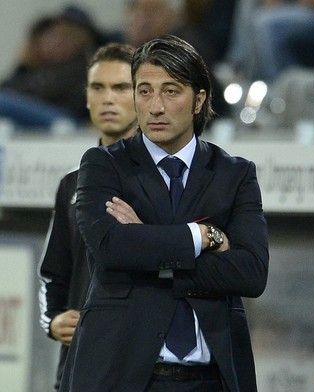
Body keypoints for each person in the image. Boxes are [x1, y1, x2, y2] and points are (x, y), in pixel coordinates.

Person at [58, 35, 269, 392]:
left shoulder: (235, 174)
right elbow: (112, 248)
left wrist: (148, 246)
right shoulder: (103, 165)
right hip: (120, 376)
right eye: (144, 91)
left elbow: (251, 273)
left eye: (171, 91)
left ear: (199, 99)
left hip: (212, 380)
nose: (155, 106)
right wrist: (201, 238)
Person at [37, 42, 138, 390]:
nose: (108, 98)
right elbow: (53, 272)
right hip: (78, 372)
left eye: (120, 87)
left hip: (141, 369)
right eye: (98, 87)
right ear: (87, 98)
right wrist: (52, 320)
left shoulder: (165, 179)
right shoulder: (71, 183)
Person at [0, 6, 103, 129]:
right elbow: (7, 88)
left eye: (66, 38)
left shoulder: (79, 67)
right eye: (53, 35)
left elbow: (42, 95)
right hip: (44, 116)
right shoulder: (42, 66)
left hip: (64, 119)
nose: (55, 42)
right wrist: (22, 67)